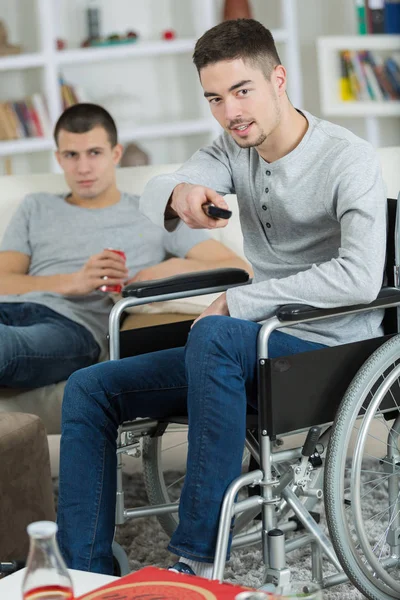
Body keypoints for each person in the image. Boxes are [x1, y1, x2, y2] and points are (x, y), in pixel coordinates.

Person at [56, 19, 386, 578]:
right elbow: (160, 189)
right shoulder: (234, 148)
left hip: (329, 350)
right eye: (215, 98)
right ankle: (84, 572)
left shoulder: (348, 159)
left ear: (278, 78)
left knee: (214, 330)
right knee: (91, 387)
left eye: (242, 91)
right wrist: (183, 191)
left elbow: (358, 277)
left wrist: (242, 301)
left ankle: (194, 558)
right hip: (248, 351)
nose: (230, 111)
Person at [0, 102, 248, 389]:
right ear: (58, 158)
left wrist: (170, 269)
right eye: (71, 155)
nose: (83, 168)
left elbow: (238, 268)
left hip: (71, 326)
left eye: (94, 153)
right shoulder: (36, 206)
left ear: (115, 153)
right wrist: (74, 281)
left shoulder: (153, 211)